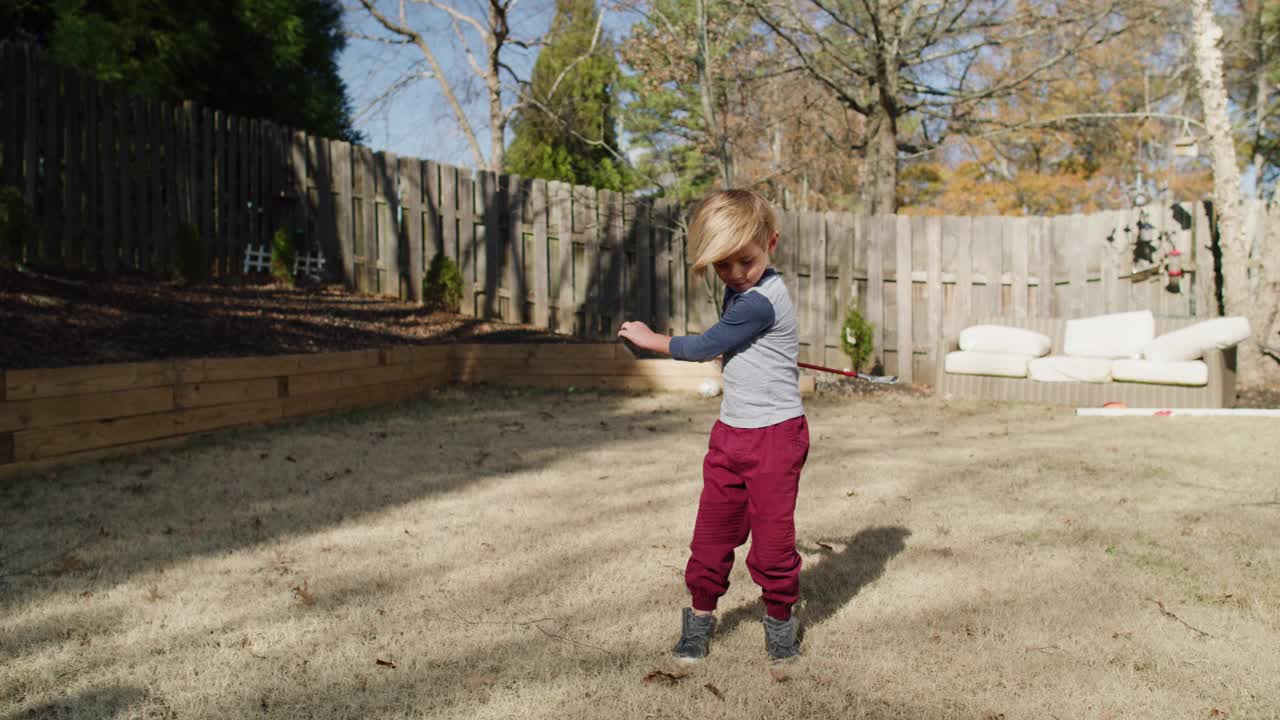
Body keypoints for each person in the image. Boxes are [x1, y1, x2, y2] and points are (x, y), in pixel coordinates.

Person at [617, 189, 809, 664]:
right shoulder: (742, 290)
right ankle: (700, 619)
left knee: (772, 542)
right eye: (722, 266)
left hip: (774, 437)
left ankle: (780, 623)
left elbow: (704, 347)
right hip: (731, 434)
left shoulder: (759, 302)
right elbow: (732, 339)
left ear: (772, 242)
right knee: (712, 535)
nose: (735, 274)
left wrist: (650, 340)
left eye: (745, 260)